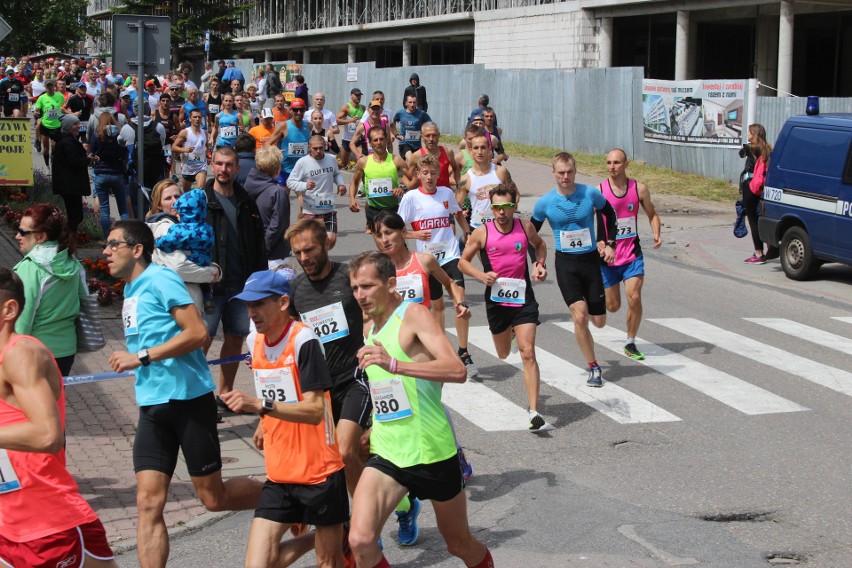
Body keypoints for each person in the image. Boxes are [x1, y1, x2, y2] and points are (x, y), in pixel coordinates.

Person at [104, 220, 263, 568]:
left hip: (188, 402)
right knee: (148, 502)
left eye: (113, 244)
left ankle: (281, 498)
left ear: (136, 249)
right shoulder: (131, 291)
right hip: (152, 407)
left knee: (213, 498)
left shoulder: (161, 279)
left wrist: (142, 356)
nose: (106, 251)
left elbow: (197, 334)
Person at [347, 251, 494, 568]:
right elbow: (385, 389)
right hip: (388, 451)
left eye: (368, 286)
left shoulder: (412, 315)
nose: (361, 295)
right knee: (360, 541)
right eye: (356, 288)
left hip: (431, 451)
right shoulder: (368, 328)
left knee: (459, 544)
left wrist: (396, 364)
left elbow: (457, 371)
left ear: (390, 283)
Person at [221, 271, 348, 568]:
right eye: (247, 306)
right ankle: (331, 532)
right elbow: (272, 386)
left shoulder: (303, 339)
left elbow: (316, 409)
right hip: (279, 474)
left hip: (319, 472)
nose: (251, 313)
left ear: (282, 302)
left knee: (328, 563)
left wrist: (260, 406)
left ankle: (334, 534)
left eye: (258, 304)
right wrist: (265, 426)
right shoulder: (255, 341)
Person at [0, 268, 118, 568]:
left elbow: (47, 435)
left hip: (48, 525)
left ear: (8, 310)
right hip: (8, 525)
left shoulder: (21, 353)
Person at [284, 220, 374, 507]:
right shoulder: (296, 289)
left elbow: (378, 314)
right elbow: (293, 337)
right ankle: (402, 506)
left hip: (355, 378)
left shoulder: (349, 277)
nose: (303, 258)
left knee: (347, 450)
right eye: (297, 253)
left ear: (326, 244)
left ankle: (364, 521)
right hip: (322, 389)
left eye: (309, 250)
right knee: (350, 457)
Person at [458, 185, 552, 431]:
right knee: (502, 353)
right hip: (497, 301)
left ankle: (534, 411)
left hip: (523, 298)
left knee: (528, 351)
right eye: (497, 207)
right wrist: (481, 275)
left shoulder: (525, 227)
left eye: (506, 207)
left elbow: (540, 245)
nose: (501, 212)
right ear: (492, 208)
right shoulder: (482, 233)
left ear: (514, 207)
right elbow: (462, 262)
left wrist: (539, 263)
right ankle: (509, 334)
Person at [531, 152, 617, 387]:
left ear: (575, 171)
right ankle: (593, 366)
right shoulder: (545, 202)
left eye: (569, 172)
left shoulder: (589, 194)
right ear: (553, 173)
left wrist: (609, 243)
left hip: (590, 261)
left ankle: (591, 312)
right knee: (579, 316)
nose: (565, 176)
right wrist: (537, 262)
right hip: (566, 264)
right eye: (561, 172)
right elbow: (531, 236)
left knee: (598, 321)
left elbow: (609, 214)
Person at [398, 152, 477, 377]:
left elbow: (458, 213)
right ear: (418, 174)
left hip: (450, 255)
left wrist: (466, 231)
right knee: (437, 306)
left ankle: (463, 351)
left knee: (460, 297)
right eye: (425, 173)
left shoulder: (445, 193)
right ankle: (440, 351)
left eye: (434, 173)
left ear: (439, 174)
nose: (430, 177)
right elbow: (398, 229)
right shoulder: (411, 198)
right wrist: (415, 234)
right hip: (428, 261)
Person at [202, 147, 267, 401]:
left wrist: (259, 284)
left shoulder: (247, 201)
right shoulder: (201, 200)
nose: (223, 169)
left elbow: (258, 244)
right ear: (212, 165)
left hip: (242, 286)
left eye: (229, 165)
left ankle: (225, 394)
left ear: (237, 168)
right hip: (210, 287)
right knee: (201, 341)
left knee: (235, 339)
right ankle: (200, 396)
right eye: (219, 164)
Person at [597, 149, 662, 361]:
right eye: (609, 163)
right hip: (608, 257)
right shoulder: (599, 191)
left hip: (632, 254)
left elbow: (652, 214)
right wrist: (597, 243)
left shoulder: (639, 189)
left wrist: (656, 233)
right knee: (612, 306)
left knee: (634, 296)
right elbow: (588, 220)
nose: (612, 167)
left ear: (626, 164)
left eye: (616, 162)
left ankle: (630, 341)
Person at [12, 204, 85, 376]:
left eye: (23, 232)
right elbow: (84, 300)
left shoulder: (30, 268)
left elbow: (23, 316)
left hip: (34, 352)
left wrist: (10, 351)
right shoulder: (71, 262)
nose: (17, 235)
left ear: (41, 236)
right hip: (66, 351)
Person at [146, 180, 222, 315]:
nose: (174, 202)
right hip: (179, 302)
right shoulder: (166, 228)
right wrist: (212, 273)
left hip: (186, 300)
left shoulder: (186, 225)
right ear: (158, 205)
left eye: (177, 196)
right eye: (168, 198)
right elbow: (179, 267)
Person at [287, 135, 346, 249]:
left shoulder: (331, 159)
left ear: (325, 146)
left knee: (331, 240)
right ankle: (319, 261)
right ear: (309, 148)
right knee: (312, 242)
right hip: (310, 210)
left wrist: (341, 184)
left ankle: (321, 257)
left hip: (328, 207)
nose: (318, 151)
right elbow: (290, 182)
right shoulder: (302, 162)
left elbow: (336, 173)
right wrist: (305, 185)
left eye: (321, 148)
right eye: (315, 148)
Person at [349, 127, 410, 232]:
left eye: (381, 139)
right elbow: (354, 183)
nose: (379, 142)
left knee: (395, 240)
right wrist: (352, 199)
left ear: (386, 140)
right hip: (373, 209)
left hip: (393, 208)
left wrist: (402, 188)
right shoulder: (364, 162)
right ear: (370, 143)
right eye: (375, 140)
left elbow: (413, 178)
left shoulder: (396, 160)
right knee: (381, 241)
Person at [244, 146, 294, 270]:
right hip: (275, 254)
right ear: (277, 170)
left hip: (252, 250)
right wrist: (264, 248)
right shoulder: (278, 192)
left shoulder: (247, 186)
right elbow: (277, 225)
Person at [89, 112, 130, 238]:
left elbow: (92, 151)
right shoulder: (119, 135)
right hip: (117, 173)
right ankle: (126, 236)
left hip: (101, 173)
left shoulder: (97, 134)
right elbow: (124, 152)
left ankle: (108, 237)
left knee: (105, 210)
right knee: (123, 208)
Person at [52, 114, 92, 232]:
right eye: (75, 124)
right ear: (68, 127)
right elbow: (75, 162)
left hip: (70, 184)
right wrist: (88, 159)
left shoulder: (67, 140)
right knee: (76, 215)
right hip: (70, 184)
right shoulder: (68, 142)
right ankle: (69, 239)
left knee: (75, 215)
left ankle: (69, 238)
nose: (79, 126)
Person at [741, 124, 773, 265]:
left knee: (753, 221)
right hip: (760, 189)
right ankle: (767, 246)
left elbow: (741, 153)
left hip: (751, 186)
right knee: (759, 218)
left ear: (754, 134)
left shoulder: (752, 148)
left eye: (749, 132)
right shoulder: (767, 148)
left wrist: (745, 149)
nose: (747, 134)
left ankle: (758, 254)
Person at [266, 96, 311, 188]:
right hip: (285, 169)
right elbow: (267, 144)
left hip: (302, 170)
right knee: (283, 198)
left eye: (301, 110)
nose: (298, 113)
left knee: (305, 198)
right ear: (290, 110)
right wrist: (275, 151)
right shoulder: (284, 126)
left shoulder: (309, 125)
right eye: (295, 110)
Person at [172, 108, 209, 191]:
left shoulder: (205, 133)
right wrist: (185, 150)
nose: (197, 119)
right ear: (190, 119)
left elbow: (206, 146)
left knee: (201, 189)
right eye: (195, 117)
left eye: (199, 117)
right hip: (188, 168)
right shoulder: (185, 132)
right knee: (186, 194)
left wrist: (207, 155)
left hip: (201, 167)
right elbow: (174, 147)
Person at [393, 94, 432, 160]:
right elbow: (392, 124)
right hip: (404, 143)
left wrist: (424, 133)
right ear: (406, 103)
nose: (412, 104)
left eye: (414, 102)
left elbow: (430, 124)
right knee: (411, 159)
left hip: (417, 145)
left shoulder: (421, 113)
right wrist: (396, 134)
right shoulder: (400, 113)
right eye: (410, 102)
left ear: (417, 103)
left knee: (422, 162)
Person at [336, 87, 364, 169]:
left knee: (361, 160)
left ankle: (358, 181)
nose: (358, 97)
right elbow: (337, 120)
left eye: (359, 95)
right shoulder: (346, 107)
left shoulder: (363, 108)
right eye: (356, 95)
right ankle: (332, 170)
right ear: (351, 95)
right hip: (347, 139)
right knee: (343, 163)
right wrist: (349, 120)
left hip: (358, 139)